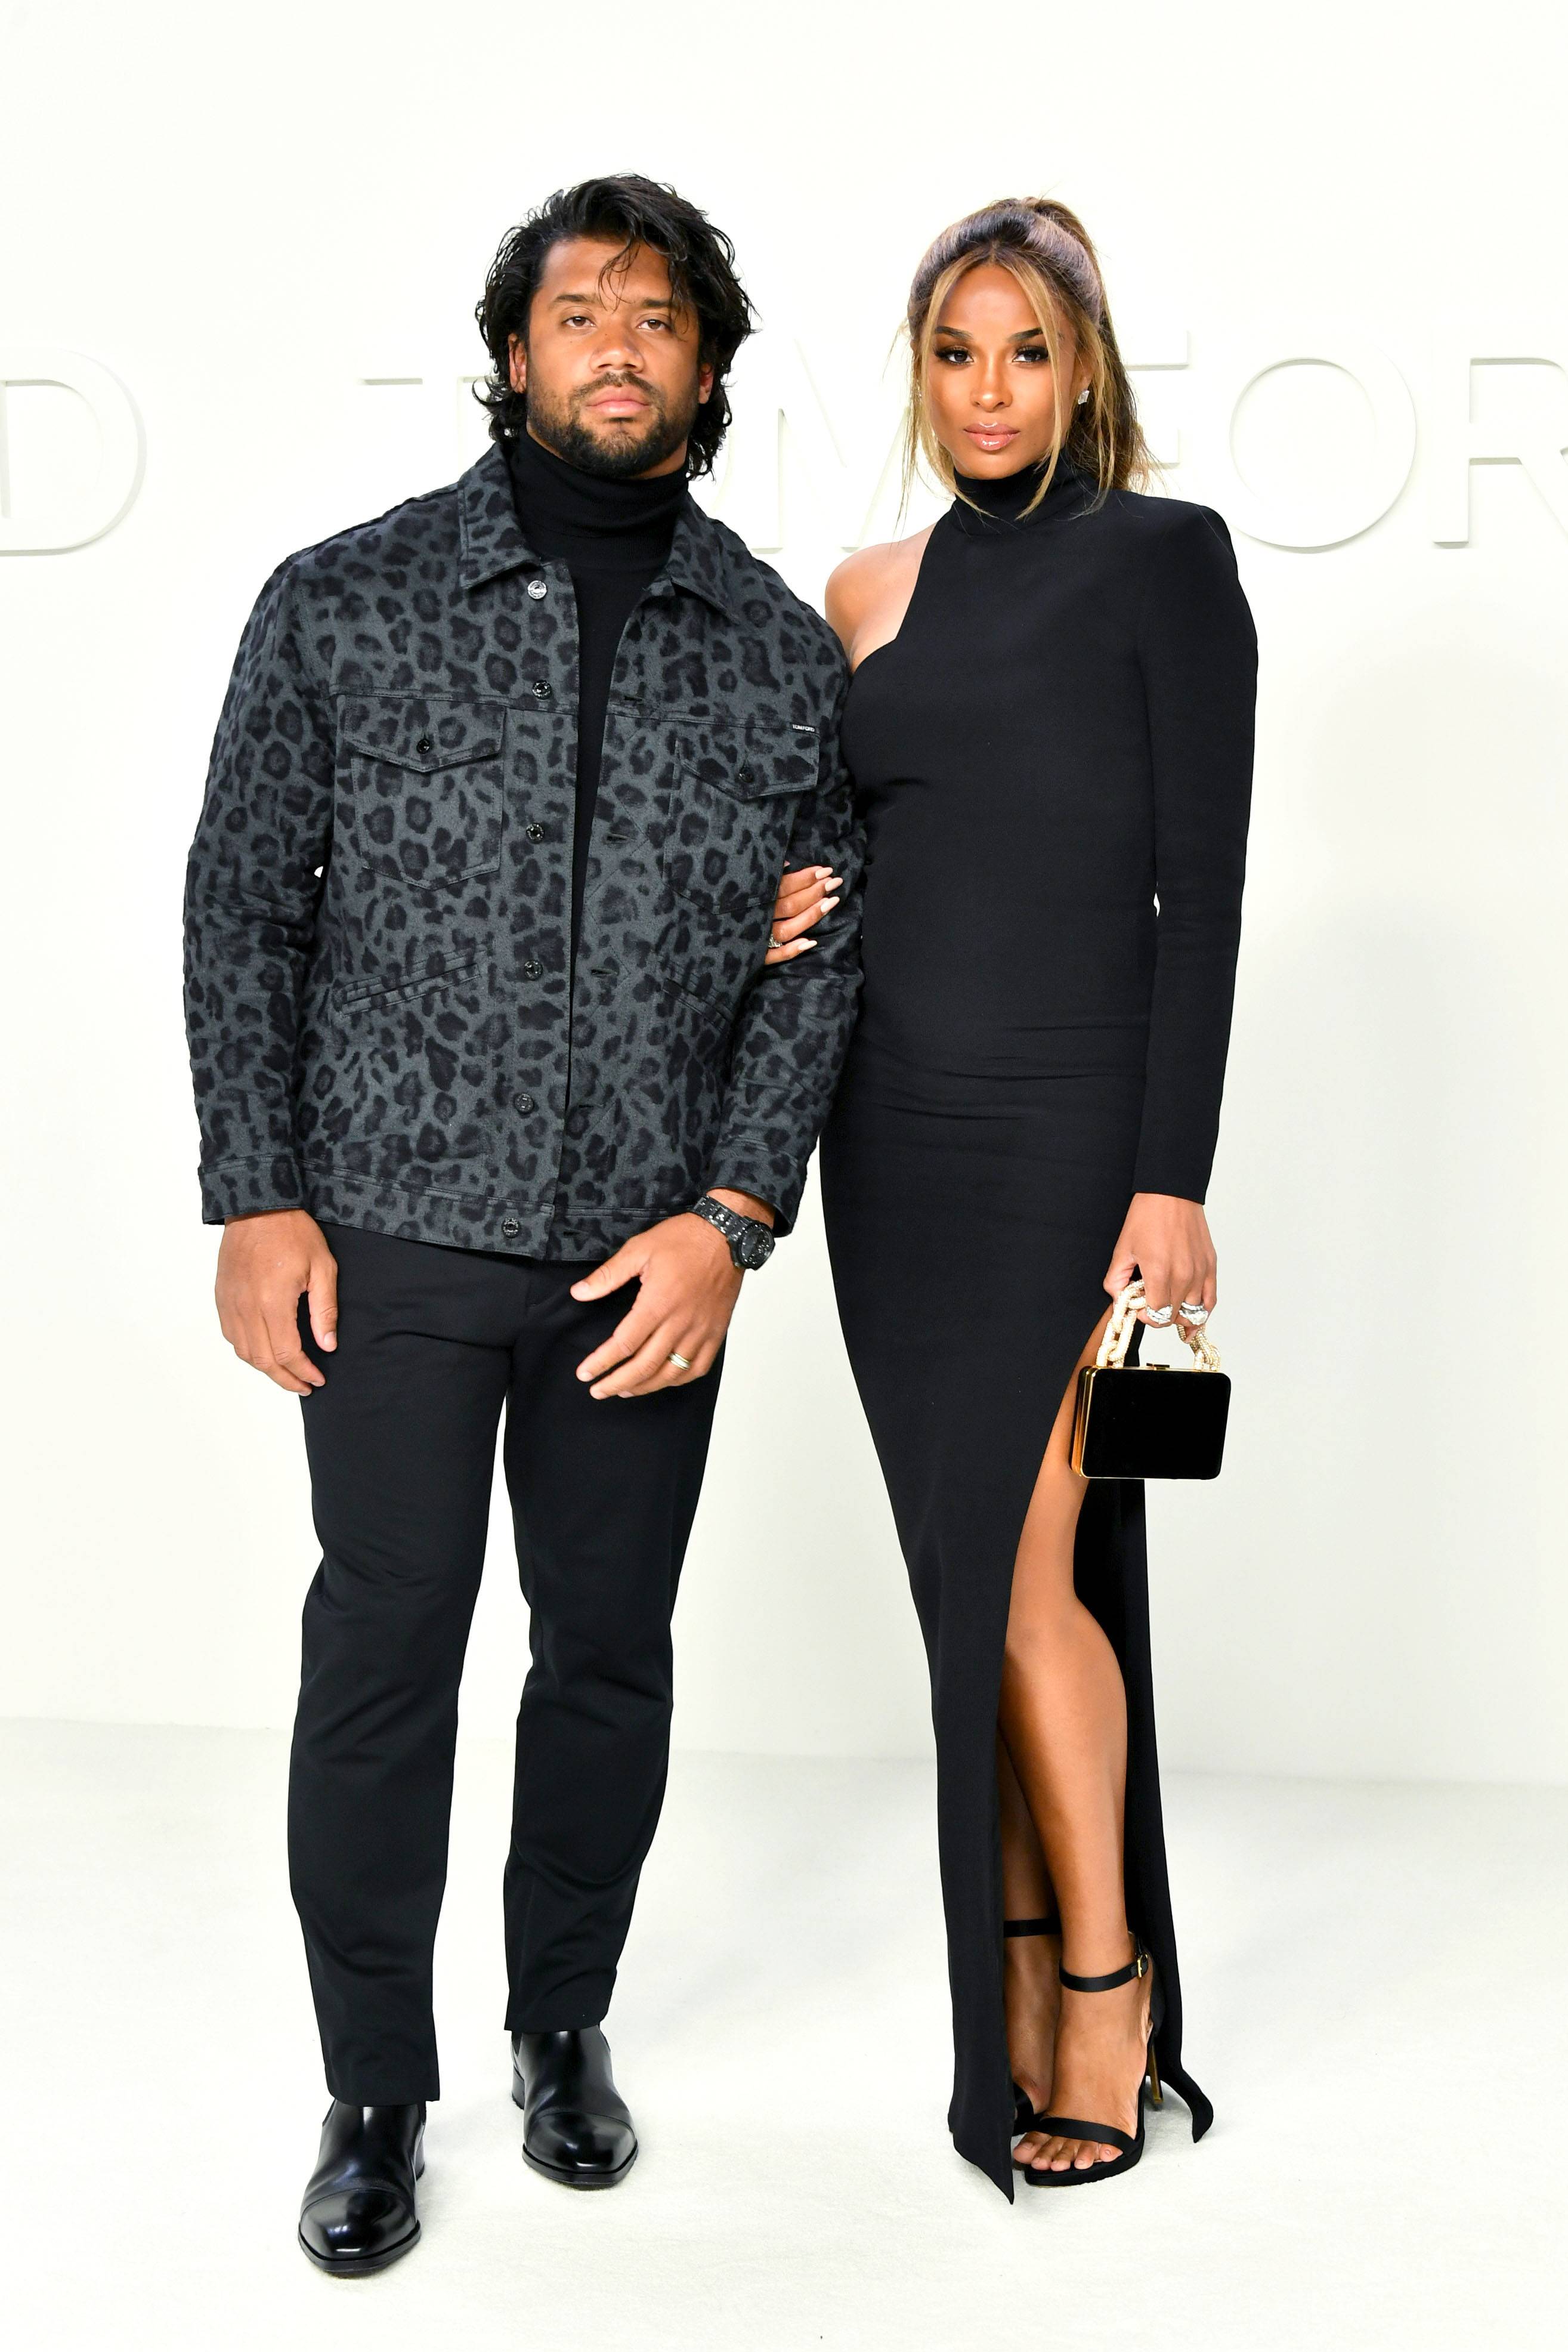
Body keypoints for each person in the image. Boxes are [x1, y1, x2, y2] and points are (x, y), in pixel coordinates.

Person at [183, 174, 859, 2274]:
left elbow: (815, 963)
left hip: (637, 1260)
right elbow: (239, 903)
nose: (619, 347)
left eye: (660, 319)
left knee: (606, 1662)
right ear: (512, 354)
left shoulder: (771, 650)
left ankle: (561, 2025)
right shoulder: (345, 601)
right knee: (382, 1657)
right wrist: (255, 1196)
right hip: (384, 1236)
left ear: (713, 371)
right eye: (580, 313)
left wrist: (731, 1219)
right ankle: (372, 2086)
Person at [818, 198, 1257, 2196]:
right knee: (963, 1601)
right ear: (922, 373)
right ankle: (1015, 1959)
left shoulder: (1166, 564)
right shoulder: (867, 591)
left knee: (1021, 1577)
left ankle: (1104, 1989)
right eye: (952, 354)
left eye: (1023, 352)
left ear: (1084, 369)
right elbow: (853, 856)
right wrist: (788, 907)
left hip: (1071, 1141)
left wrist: (1174, 1172)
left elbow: (1205, 894)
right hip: (887, 1144)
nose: (987, 390)